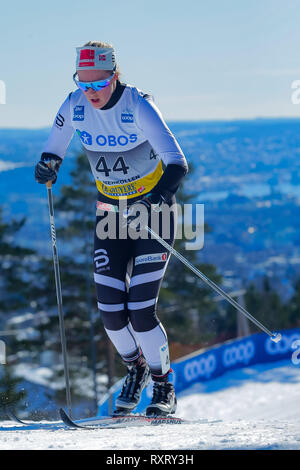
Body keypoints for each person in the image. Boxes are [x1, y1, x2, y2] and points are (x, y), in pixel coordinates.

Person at [35, 41, 188, 417]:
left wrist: (154, 199)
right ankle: (135, 369)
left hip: (152, 215)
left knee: (140, 310)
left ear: (114, 76)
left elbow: (177, 164)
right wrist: (47, 165)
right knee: (111, 313)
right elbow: (52, 148)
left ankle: (163, 383)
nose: (90, 93)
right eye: (82, 84)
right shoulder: (74, 105)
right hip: (110, 217)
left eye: (98, 85)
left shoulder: (138, 105)